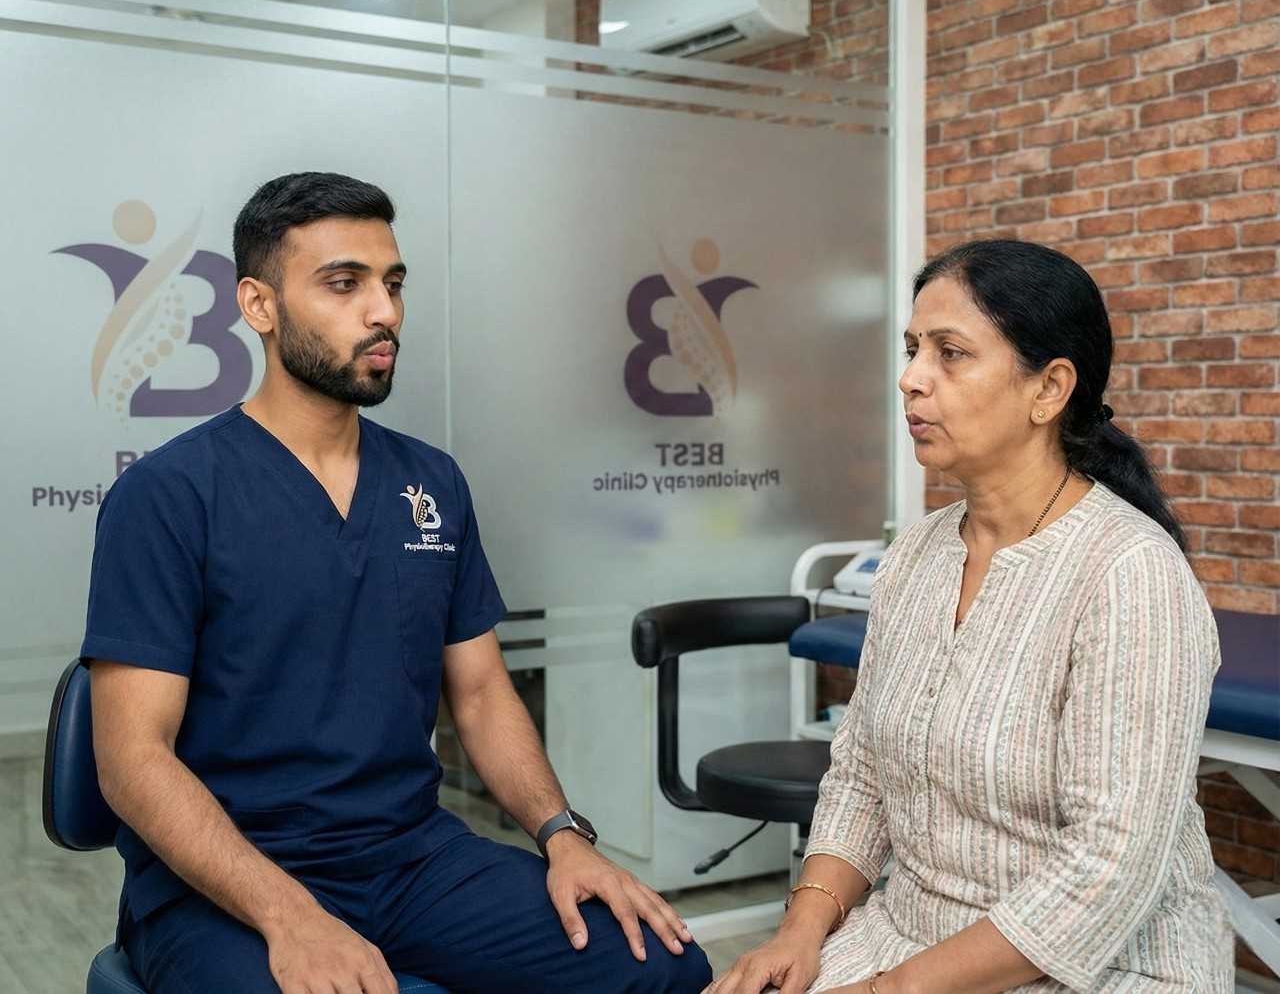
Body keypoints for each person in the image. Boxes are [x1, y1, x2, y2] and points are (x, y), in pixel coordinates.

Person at [84, 171, 712, 994]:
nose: (384, 311)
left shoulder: (431, 482)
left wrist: (562, 835)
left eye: (393, 282)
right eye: (344, 283)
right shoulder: (170, 494)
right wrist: (290, 914)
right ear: (259, 305)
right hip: (224, 883)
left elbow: (483, 694)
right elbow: (131, 759)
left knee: (660, 966)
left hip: (412, 857)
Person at [711, 239, 1233, 993]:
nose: (911, 379)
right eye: (913, 349)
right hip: (909, 935)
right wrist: (799, 932)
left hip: (1106, 964)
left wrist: (887, 989)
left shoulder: (1129, 574)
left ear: (1049, 389)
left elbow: (1106, 869)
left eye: (950, 353)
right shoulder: (917, 555)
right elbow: (861, 775)